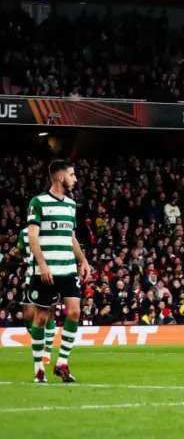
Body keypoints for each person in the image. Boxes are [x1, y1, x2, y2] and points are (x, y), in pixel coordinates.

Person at [23, 159, 92, 383]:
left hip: (67, 268)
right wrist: (42, 264)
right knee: (41, 317)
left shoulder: (71, 205)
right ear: (61, 177)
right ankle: (38, 369)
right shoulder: (38, 202)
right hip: (46, 270)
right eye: (72, 175)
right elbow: (33, 236)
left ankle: (61, 363)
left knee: (74, 312)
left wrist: (83, 260)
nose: (75, 179)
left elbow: (71, 237)